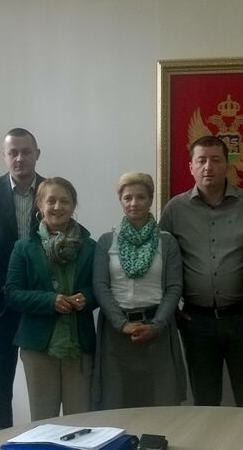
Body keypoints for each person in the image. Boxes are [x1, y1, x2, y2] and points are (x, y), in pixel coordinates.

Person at [159, 136, 243, 408]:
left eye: (216, 160)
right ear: (191, 166)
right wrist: (171, 309)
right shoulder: (174, 209)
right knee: (205, 401)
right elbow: (160, 261)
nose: (208, 167)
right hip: (196, 322)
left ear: (227, 164)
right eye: (201, 160)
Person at [5, 177, 97, 420]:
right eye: (51, 201)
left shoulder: (90, 246)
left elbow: (100, 288)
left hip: (79, 346)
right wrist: (49, 301)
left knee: (81, 421)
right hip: (38, 347)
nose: (58, 206)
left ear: (74, 204)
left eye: (65, 201)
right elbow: (12, 293)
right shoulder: (24, 247)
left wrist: (87, 298)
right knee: (43, 422)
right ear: (40, 204)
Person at [92, 172, 187, 409]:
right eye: (128, 198)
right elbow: (100, 286)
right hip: (116, 333)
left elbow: (174, 287)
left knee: (160, 402)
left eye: (141, 197)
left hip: (157, 330)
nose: (134, 203)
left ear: (151, 199)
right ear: (120, 201)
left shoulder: (167, 241)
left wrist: (156, 326)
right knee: (117, 401)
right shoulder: (106, 241)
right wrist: (122, 324)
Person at [0, 127, 44, 428]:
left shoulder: (50, 190)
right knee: (1, 381)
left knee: (42, 379)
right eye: (12, 152)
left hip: (39, 303)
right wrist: (9, 288)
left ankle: (42, 438)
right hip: (0, 302)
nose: (19, 158)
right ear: (4, 156)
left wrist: (34, 293)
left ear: (37, 154)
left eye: (26, 151)